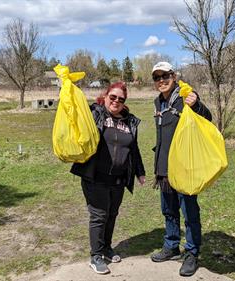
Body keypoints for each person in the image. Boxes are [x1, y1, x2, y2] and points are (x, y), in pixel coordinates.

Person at [70, 81, 146, 275]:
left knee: (112, 214)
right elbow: (75, 117)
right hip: (95, 176)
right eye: (113, 97)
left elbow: (133, 148)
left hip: (118, 179)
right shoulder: (94, 114)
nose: (116, 101)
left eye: (121, 99)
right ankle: (95, 255)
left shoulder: (129, 121)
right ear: (105, 96)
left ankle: (106, 248)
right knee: (99, 216)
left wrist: (139, 171)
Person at [149, 62, 212, 277]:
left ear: (173, 76)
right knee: (168, 210)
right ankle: (172, 245)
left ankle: (192, 253)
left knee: (189, 212)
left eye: (165, 76)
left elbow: (207, 117)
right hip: (164, 167)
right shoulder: (158, 102)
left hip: (185, 168)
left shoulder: (185, 96)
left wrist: (196, 105)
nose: (161, 80)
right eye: (157, 77)